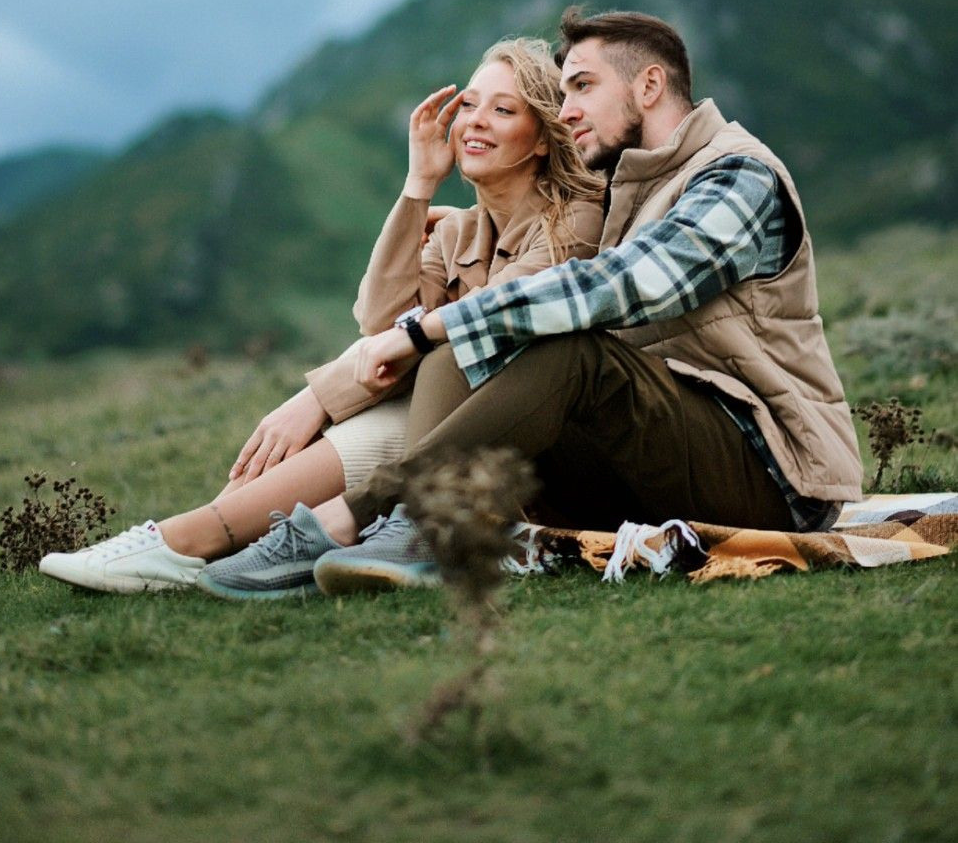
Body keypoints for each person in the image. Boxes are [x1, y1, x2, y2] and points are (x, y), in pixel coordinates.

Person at [206, 7, 865, 599]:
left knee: (564, 350)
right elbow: (399, 314)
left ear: (649, 87)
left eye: (582, 86)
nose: (567, 106)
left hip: (770, 478)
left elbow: (626, 286)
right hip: (653, 463)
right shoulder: (625, 187)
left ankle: (374, 516)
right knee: (462, 350)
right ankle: (415, 526)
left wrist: (425, 327)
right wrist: (430, 241)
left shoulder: (736, 175)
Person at [38, 37, 604, 594]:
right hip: (449, 438)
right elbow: (381, 320)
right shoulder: (454, 230)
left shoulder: (574, 222)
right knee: (367, 420)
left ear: (540, 140)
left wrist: (314, 399)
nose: (475, 122)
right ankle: (196, 543)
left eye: (502, 110)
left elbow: (473, 329)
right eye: (470, 105)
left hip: (532, 454)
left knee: (386, 414)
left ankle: (189, 542)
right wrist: (418, 184)